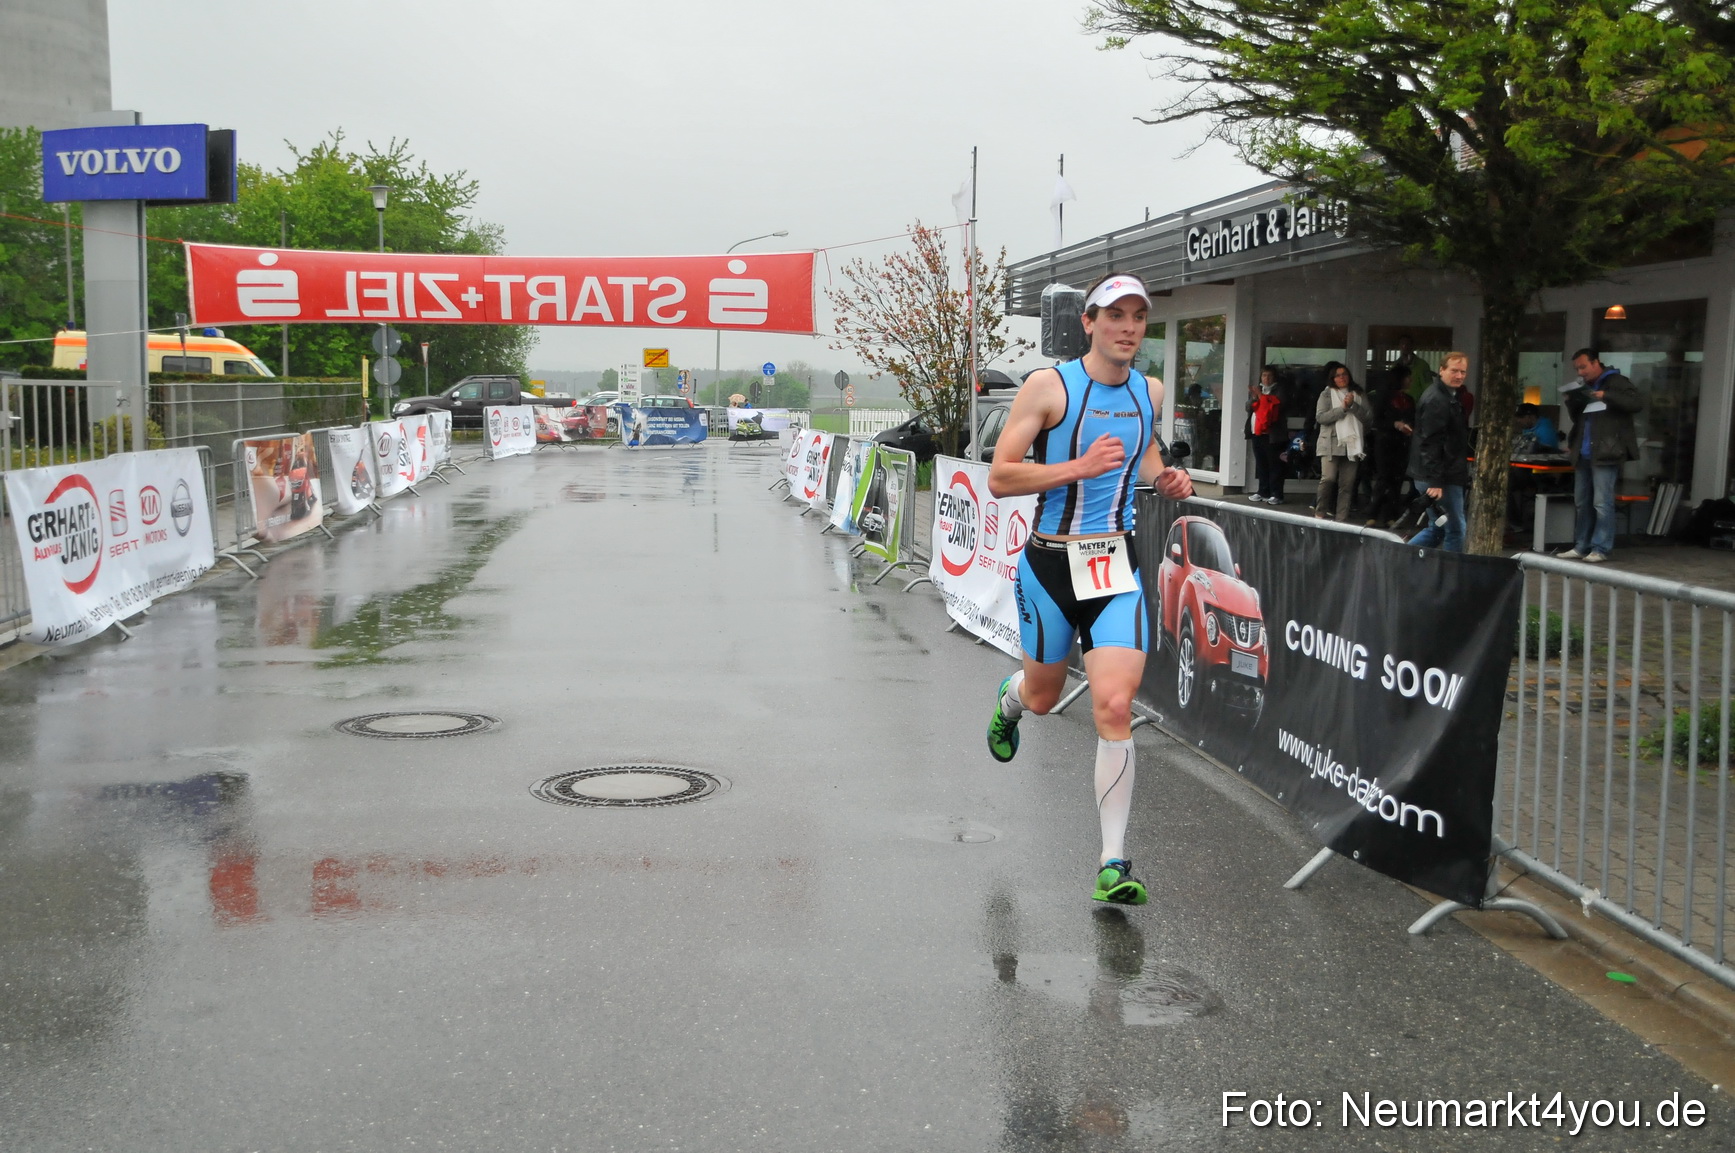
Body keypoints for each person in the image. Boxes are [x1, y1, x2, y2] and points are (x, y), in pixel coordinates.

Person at [981, 272, 1194, 906]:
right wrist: (1076, 467)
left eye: (1138, 317)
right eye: (1115, 316)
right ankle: (1011, 699)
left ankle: (1112, 864)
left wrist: (1167, 479)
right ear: (1089, 323)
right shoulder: (1048, 387)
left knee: (1114, 705)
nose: (1128, 328)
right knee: (1045, 699)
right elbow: (1000, 477)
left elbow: (1142, 457)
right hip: (1050, 565)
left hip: (1114, 568)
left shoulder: (1149, 392)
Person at [1558, 349, 1643, 562]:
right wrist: (1571, 400)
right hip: (1584, 450)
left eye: (1583, 367)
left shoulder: (1616, 381)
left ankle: (1600, 547)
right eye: (1577, 368)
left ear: (1596, 363)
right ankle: (1582, 545)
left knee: (1602, 502)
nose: (1580, 372)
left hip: (1606, 450)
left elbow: (1636, 403)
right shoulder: (1585, 385)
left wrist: (1606, 395)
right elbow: (1578, 418)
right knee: (1582, 502)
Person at [1408, 351, 1473, 552]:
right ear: (1442, 370)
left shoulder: (1446, 395)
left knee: (1438, 527)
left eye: (1463, 372)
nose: (1459, 376)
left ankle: (1400, 558)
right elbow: (1430, 442)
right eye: (1454, 371)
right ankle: (1452, 569)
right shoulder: (1437, 399)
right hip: (1441, 477)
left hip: (1437, 473)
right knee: (1455, 529)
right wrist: (1435, 481)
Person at [1312, 362, 1373, 522]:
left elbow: (1368, 419)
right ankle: (1320, 513)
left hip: (1352, 444)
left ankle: (1341, 520)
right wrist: (1343, 409)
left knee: (1347, 484)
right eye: (1337, 375)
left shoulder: (1358, 393)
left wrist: (1353, 406)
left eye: (1344, 374)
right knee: (1328, 479)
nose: (1341, 378)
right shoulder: (1326, 394)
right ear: (1333, 379)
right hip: (1330, 443)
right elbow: (1321, 417)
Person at [1368, 366, 1417, 525]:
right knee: (1384, 478)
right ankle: (1373, 513)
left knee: (1398, 480)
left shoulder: (1409, 400)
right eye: (1408, 377)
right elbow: (1377, 421)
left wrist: (1409, 428)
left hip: (1402, 443)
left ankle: (1391, 515)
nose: (1410, 380)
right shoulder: (1384, 397)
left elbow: (1413, 419)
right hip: (1385, 442)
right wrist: (1394, 424)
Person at [1245, 365, 1286, 504]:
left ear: (1274, 377)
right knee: (1261, 463)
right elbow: (1248, 407)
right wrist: (1255, 397)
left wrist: (1261, 396)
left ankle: (1276, 494)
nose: (1266, 378)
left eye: (1269, 375)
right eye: (1264, 375)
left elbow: (1276, 406)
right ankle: (1263, 491)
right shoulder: (1258, 389)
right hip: (1256, 431)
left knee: (1274, 464)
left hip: (1272, 434)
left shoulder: (1279, 390)